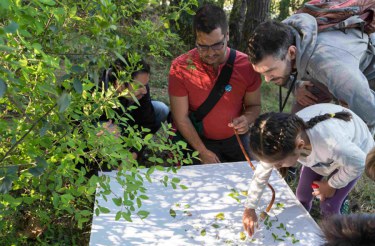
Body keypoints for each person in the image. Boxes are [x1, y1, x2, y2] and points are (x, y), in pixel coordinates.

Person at [242, 103, 375, 237]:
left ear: (299, 146)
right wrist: (250, 207)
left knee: (329, 205)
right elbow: (261, 174)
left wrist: (331, 185)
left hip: (354, 157)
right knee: (302, 196)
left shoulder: (333, 144)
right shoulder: (281, 140)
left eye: (279, 164)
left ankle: (336, 238)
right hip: (322, 156)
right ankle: (300, 233)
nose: (275, 167)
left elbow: (358, 162)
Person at [247, 14, 375, 134]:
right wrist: (295, 84)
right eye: (262, 73)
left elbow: (370, 113)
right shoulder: (285, 36)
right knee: (297, 126)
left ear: (292, 53)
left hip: (367, 76)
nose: (267, 79)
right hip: (336, 74)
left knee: (356, 129)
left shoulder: (329, 66)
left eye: (270, 71)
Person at [168, 4, 261, 164]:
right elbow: (180, 117)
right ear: (196, 39)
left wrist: (247, 119)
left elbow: (254, 106)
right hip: (197, 140)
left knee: (251, 177)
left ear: (227, 36)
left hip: (235, 139)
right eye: (202, 46)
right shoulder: (181, 67)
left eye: (217, 45)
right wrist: (202, 151)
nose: (210, 53)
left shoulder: (246, 65)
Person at [99, 55, 169, 159]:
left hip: (126, 123)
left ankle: (127, 150)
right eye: (139, 86)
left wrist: (134, 153)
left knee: (161, 109)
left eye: (145, 85)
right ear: (120, 83)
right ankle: (103, 159)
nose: (144, 91)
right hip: (105, 126)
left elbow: (147, 123)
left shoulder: (143, 90)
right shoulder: (99, 87)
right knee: (108, 129)